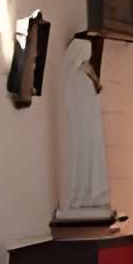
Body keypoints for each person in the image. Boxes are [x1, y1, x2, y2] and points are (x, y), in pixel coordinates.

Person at [54, 32, 113, 221]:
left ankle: (91, 195)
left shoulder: (86, 76)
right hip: (81, 130)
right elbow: (72, 105)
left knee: (91, 161)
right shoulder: (77, 77)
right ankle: (80, 197)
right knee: (82, 162)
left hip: (90, 130)